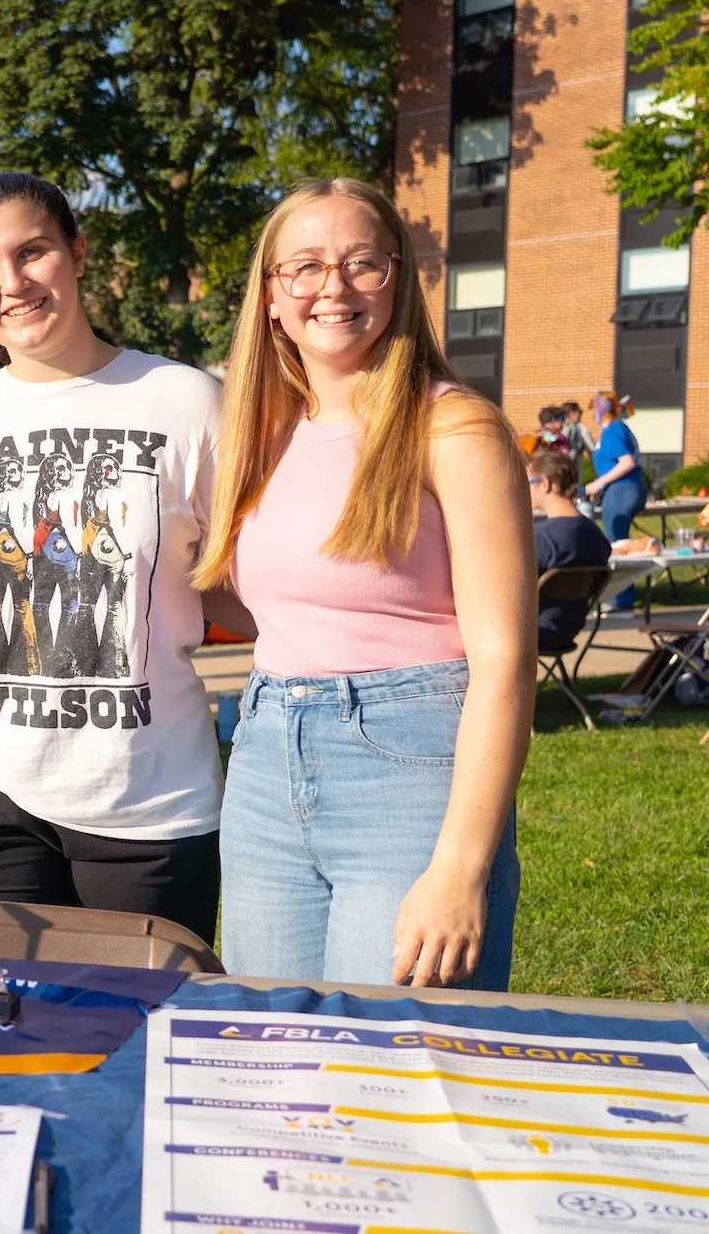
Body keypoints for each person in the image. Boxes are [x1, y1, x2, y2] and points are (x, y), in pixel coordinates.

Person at [0, 173, 243, 945]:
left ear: (75, 252)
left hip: (149, 796)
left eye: (32, 252)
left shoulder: (183, 399)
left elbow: (242, 581)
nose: (12, 283)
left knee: (136, 1038)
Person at [197, 177, 531, 990]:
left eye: (362, 263)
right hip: (267, 754)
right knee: (270, 1054)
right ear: (272, 296)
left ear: (398, 279)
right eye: (304, 267)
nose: (333, 287)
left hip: (410, 765)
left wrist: (459, 866)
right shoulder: (260, 433)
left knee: (388, 1071)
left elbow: (507, 664)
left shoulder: (454, 427)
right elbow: (266, 601)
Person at [529, 448, 612, 653]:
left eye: (527, 484)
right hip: (568, 630)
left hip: (531, 633)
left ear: (545, 483)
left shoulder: (539, 538)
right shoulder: (596, 536)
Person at [586, 390, 647, 608]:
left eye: (593, 408)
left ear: (601, 409)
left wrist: (598, 483)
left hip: (622, 490)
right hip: (622, 489)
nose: (591, 414)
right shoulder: (616, 429)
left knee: (616, 546)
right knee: (618, 542)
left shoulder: (613, 430)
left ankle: (620, 601)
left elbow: (626, 462)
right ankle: (620, 598)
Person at [561, 399, 595, 468]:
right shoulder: (582, 429)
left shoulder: (557, 429)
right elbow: (592, 451)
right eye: (580, 412)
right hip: (575, 467)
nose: (581, 415)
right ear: (572, 413)